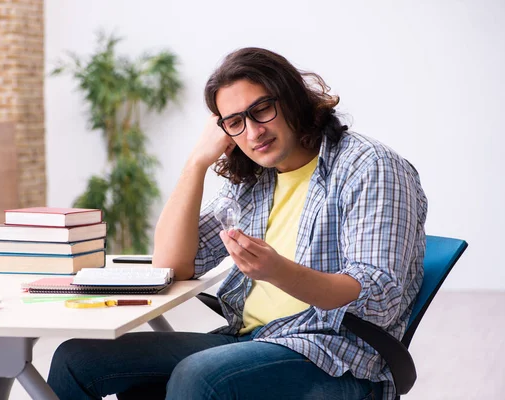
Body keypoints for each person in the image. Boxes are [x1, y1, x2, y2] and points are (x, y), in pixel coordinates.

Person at [48, 47, 427, 400]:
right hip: (250, 339)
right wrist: (196, 163)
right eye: (235, 122)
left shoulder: (370, 167)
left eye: (262, 110)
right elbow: (173, 264)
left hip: (336, 355)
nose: (253, 132)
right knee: (76, 359)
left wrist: (278, 271)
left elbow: (379, 298)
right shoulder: (256, 182)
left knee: (199, 377)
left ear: (293, 99)